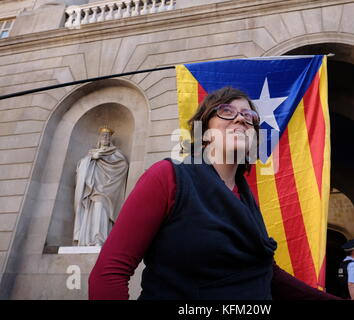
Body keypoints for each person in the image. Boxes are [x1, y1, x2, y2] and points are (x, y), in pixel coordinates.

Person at [88, 86, 339, 300]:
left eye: (249, 115)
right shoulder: (167, 177)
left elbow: (265, 273)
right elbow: (109, 273)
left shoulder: (247, 200)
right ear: (204, 132)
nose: (241, 119)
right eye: (227, 112)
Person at [73, 126, 128, 246]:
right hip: (91, 188)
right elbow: (80, 168)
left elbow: (123, 165)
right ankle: (87, 240)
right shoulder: (91, 154)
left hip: (107, 189)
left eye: (107, 136)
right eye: (103, 136)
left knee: (100, 208)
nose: (105, 138)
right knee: (90, 211)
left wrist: (104, 158)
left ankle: (99, 239)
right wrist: (91, 159)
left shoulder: (115, 154)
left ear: (110, 139)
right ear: (100, 138)